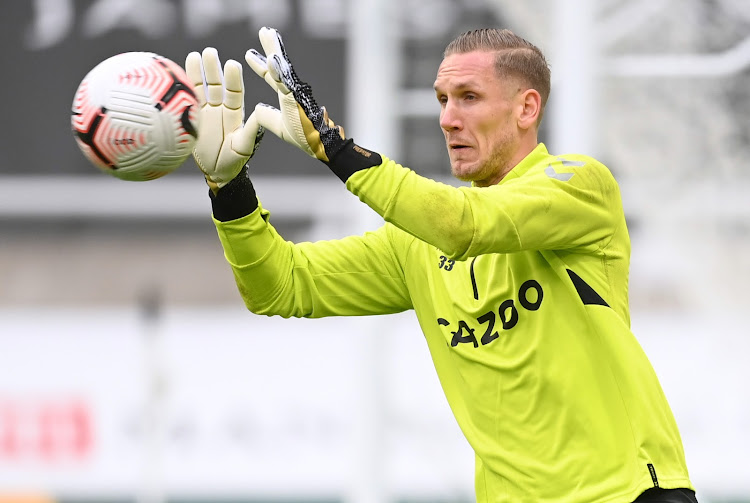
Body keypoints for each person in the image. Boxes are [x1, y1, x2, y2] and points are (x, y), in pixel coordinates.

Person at [185, 27, 697, 502]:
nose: (448, 118)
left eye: (469, 98)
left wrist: (334, 146)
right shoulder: (417, 244)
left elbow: (464, 225)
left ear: (527, 108)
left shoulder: (580, 185)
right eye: (443, 100)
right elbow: (280, 287)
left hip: (628, 493)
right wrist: (229, 191)